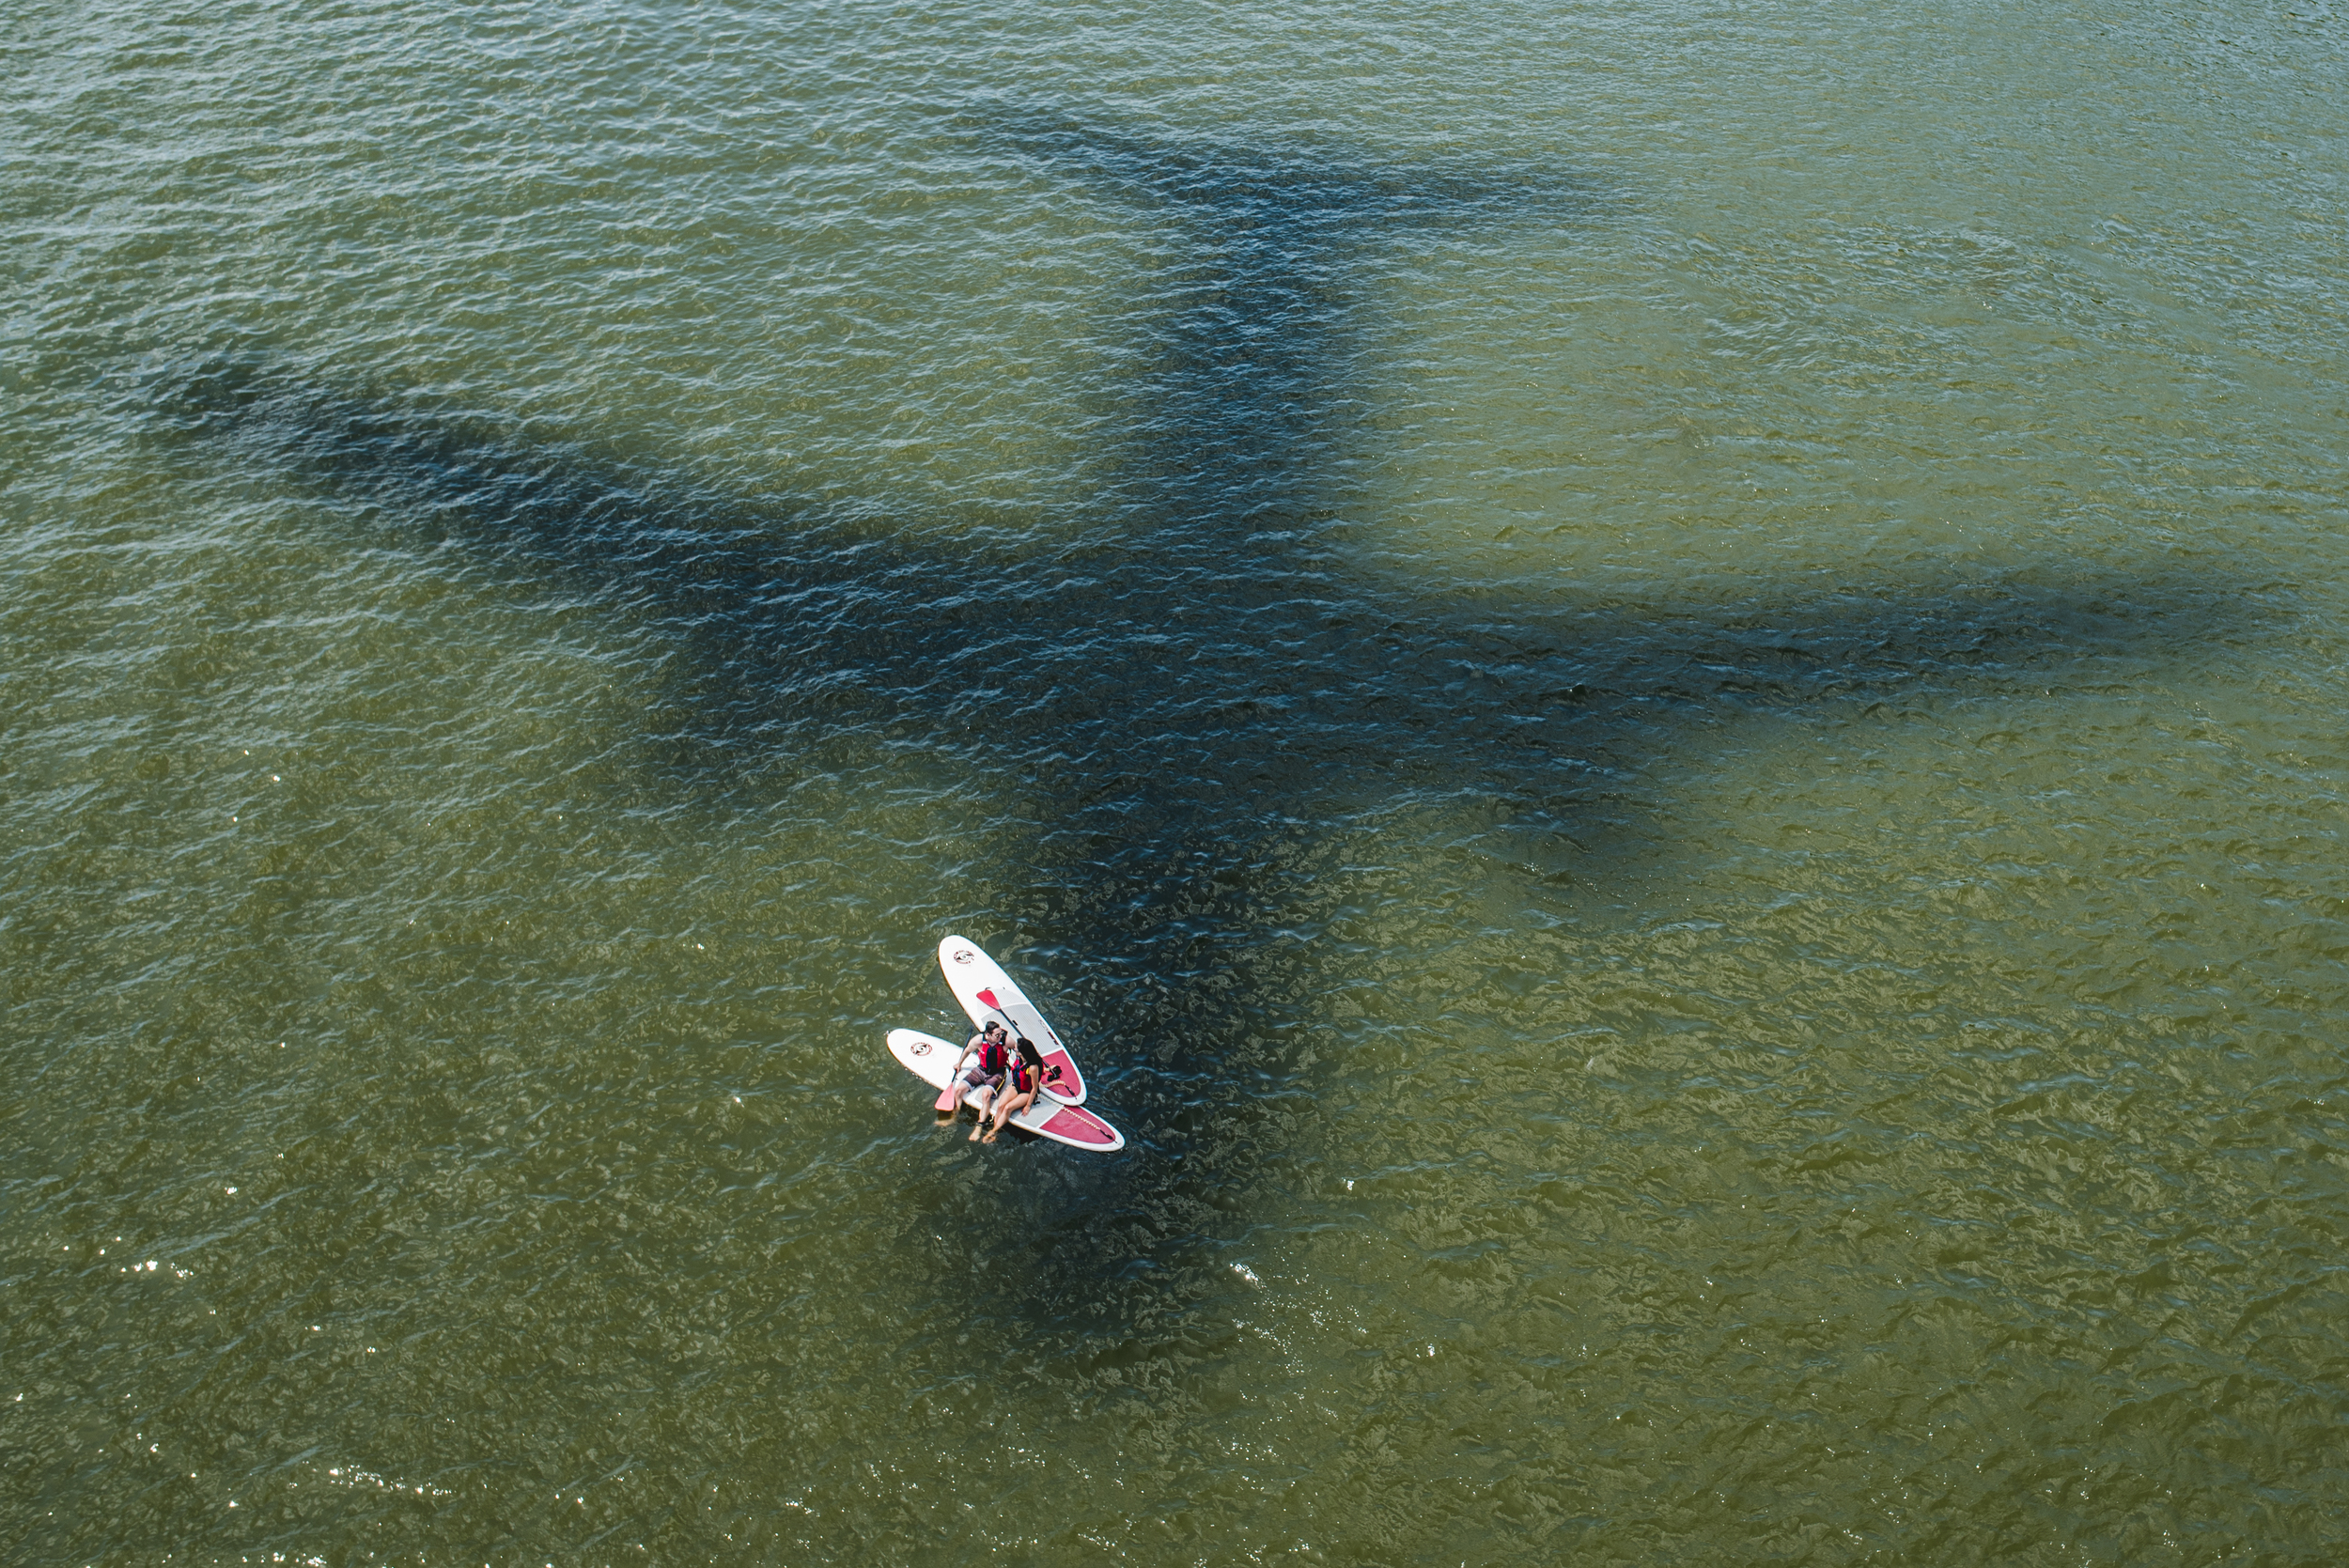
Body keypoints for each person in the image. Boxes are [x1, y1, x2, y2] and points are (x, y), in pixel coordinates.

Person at [980, 1037, 1065, 1143]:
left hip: (1026, 1091)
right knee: (1001, 1105)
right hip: (1015, 1086)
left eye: (1017, 1049)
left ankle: (993, 1132)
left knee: (1007, 1108)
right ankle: (995, 1127)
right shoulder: (1019, 1059)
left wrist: (1028, 1105)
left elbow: (1034, 1087)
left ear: (1022, 1052)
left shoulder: (1033, 1067)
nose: (1014, 1049)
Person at [943, 1021, 1013, 1133]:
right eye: (997, 1035)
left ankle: (979, 1126)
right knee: (959, 1091)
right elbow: (967, 1050)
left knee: (986, 1095)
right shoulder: (978, 1040)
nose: (1000, 1037)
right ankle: (954, 1116)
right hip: (981, 1070)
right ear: (988, 1035)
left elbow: (1021, 1052)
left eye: (1000, 1034)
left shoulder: (1006, 1041)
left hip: (998, 1073)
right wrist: (959, 1064)